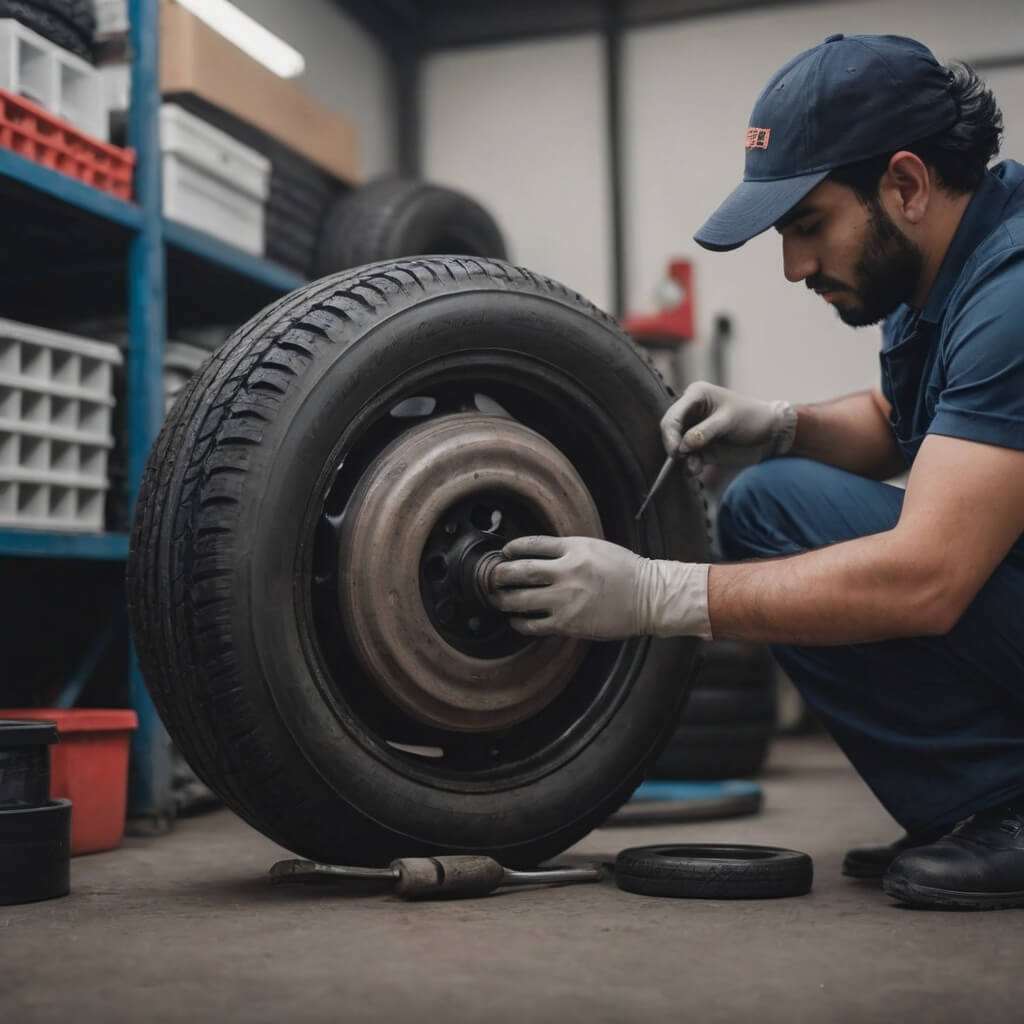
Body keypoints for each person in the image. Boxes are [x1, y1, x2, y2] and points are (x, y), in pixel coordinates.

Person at [491, 33, 1024, 910]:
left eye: (809, 226)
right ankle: (979, 803)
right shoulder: (937, 273)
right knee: (772, 502)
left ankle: (1008, 803)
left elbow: (929, 579)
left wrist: (661, 596)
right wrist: (778, 426)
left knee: (869, 556)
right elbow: (910, 425)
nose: (794, 267)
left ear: (907, 184)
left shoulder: (1010, 291)